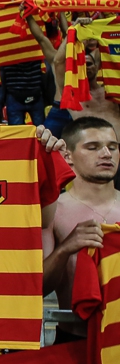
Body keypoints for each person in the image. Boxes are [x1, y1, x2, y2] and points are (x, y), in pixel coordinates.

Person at [43, 116, 120, 344]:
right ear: (68, 156)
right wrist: (65, 248)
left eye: (112, 147)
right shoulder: (53, 211)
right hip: (74, 341)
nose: (106, 154)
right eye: (93, 147)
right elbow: (38, 287)